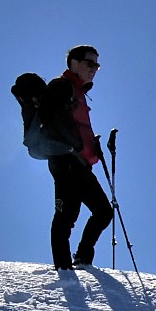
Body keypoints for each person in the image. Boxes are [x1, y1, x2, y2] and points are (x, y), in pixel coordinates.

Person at [40, 46, 112, 269]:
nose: (95, 69)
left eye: (97, 65)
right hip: (66, 161)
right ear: (74, 62)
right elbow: (48, 119)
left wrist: (92, 147)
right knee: (67, 217)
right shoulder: (61, 86)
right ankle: (64, 269)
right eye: (90, 64)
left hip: (79, 164)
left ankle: (79, 260)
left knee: (102, 212)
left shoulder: (78, 92)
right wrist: (72, 145)